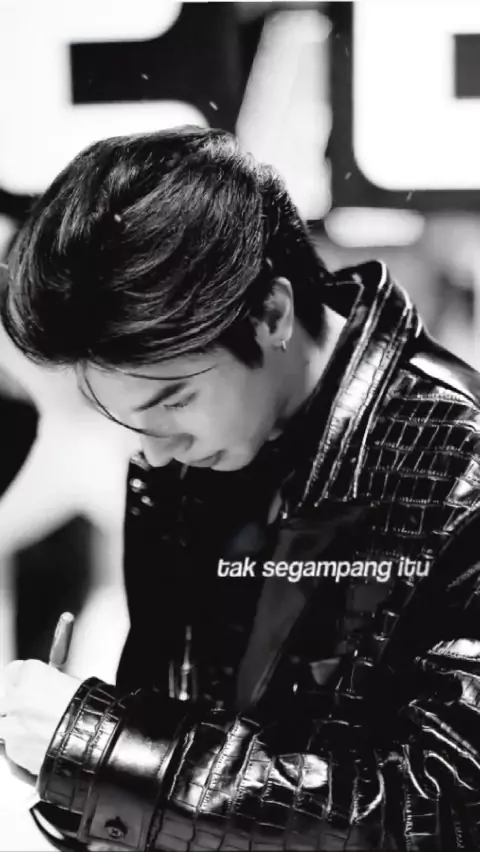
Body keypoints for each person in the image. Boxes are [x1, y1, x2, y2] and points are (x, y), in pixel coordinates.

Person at [1, 127, 480, 852]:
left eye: (173, 400)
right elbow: (194, 729)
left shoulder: (458, 461)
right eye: (125, 418)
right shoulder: (189, 453)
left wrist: (106, 751)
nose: (153, 449)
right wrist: (87, 786)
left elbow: (444, 810)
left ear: (271, 314)